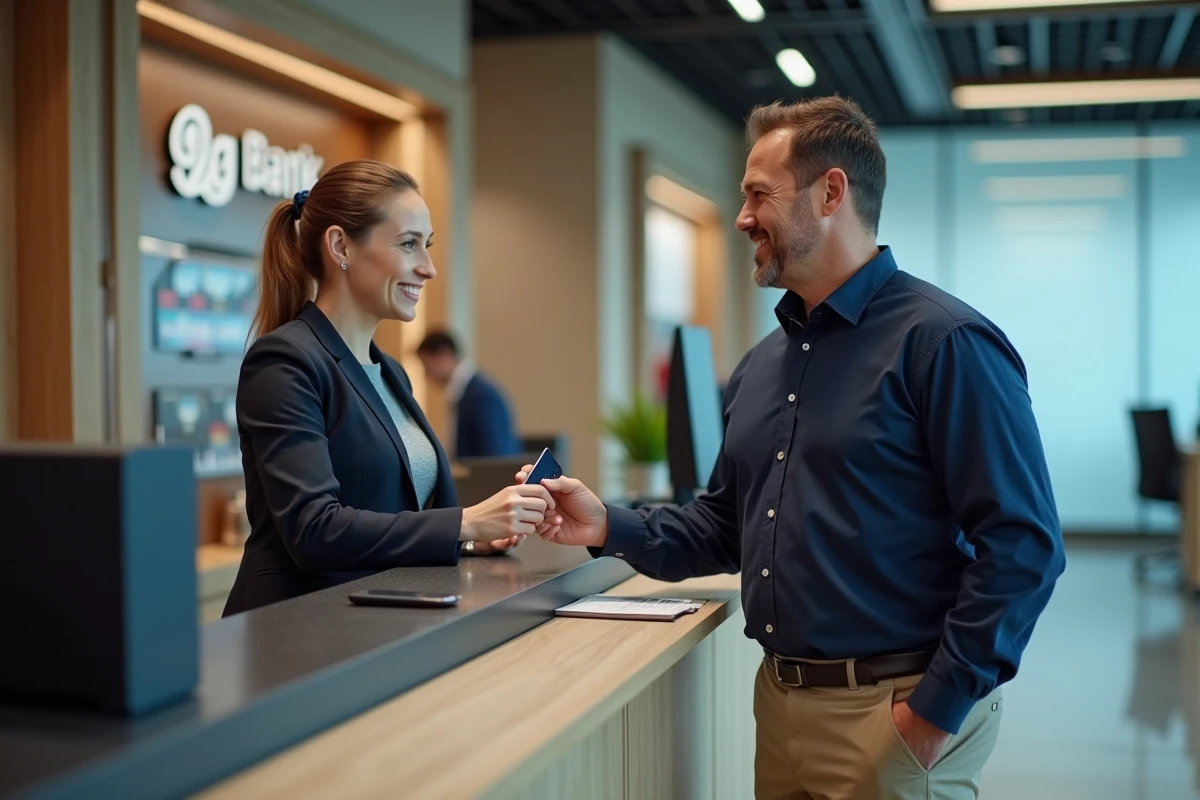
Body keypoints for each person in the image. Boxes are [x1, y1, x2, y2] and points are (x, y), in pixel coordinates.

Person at [520, 97, 1066, 800]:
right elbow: (723, 525)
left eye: (757, 195)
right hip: (779, 707)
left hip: (892, 713)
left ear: (830, 191)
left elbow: (1024, 545)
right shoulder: (763, 365)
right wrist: (604, 524)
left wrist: (935, 711)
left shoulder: (945, 343)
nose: (743, 217)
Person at [223, 160, 559, 616]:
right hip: (300, 632)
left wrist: (469, 539)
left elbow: (394, 516)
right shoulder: (284, 360)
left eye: (428, 246)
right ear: (340, 245)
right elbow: (314, 530)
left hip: (380, 623)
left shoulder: (392, 373)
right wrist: (465, 521)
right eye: (409, 245)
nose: (428, 269)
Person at [416, 330, 520, 459]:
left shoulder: (481, 396)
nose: (426, 375)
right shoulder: (464, 392)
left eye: (427, 366)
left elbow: (493, 460)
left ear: (444, 355)